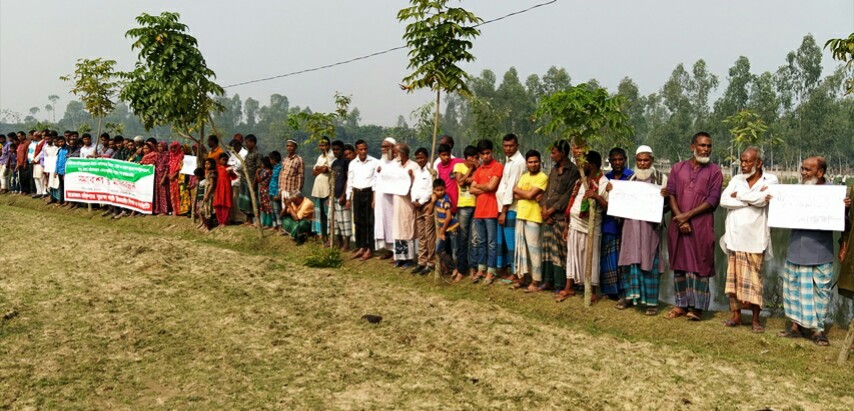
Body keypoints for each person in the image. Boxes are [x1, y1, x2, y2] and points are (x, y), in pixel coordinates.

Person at [778, 156, 851, 346]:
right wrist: (774, 200)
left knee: (820, 291)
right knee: (793, 289)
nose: (803, 173)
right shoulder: (794, 192)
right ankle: (795, 326)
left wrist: (844, 208)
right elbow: (781, 213)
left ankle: (817, 330)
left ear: (820, 173)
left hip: (820, 250)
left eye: (808, 170)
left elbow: (843, 222)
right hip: (796, 247)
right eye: (802, 169)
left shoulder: (834, 193)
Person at [665, 132, 723, 321]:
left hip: (701, 226)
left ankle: (697, 308)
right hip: (678, 225)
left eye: (709, 146)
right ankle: (681, 304)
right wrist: (680, 219)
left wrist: (687, 216)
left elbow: (713, 199)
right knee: (680, 264)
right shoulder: (677, 168)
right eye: (702, 145)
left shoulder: (715, 171)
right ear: (692, 147)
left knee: (700, 264)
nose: (706, 149)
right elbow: (671, 193)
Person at [720, 147, 777, 333]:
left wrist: (741, 196)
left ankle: (755, 320)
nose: (743, 165)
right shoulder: (736, 179)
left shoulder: (771, 180)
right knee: (734, 281)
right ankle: (736, 316)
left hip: (755, 239)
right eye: (741, 161)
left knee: (755, 282)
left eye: (747, 162)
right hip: (734, 237)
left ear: (758, 163)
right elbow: (724, 200)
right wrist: (752, 198)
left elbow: (763, 201)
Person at [558, 150, 609, 302]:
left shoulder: (603, 182)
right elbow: (572, 203)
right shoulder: (580, 181)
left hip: (591, 227)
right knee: (572, 256)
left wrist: (597, 197)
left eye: (583, 163)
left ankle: (591, 290)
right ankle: (569, 287)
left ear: (591, 165)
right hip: (574, 224)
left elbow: (608, 207)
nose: (580, 166)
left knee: (591, 259)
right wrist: (567, 226)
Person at [540, 140, 579, 293]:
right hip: (548, 217)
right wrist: (544, 210)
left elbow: (567, 196)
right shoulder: (553, 170)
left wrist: (551, 211)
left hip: (560, 218)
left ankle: (560, 283)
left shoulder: (573, 171)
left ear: (563, 153)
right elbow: (547, 191)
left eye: (554, 152)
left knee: (559, 251)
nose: (552, 155)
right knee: (547, 249)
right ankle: (547, 281)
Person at [511, 150, 549, 292]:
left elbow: (528, 194)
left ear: (540, 162)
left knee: (534, 250)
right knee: (521, 249)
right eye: (530, 162)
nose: (533, 164)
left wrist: (524, 193)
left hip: (534, 217)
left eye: (536, 161)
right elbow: (516, 194)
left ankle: (536, 280)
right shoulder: (524, 176)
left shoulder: (542, 177)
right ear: (526, 163)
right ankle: (522, 277)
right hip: (521, 214)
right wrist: (526, 195)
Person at [601, 147, 634, 303]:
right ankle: (609, 290)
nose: (617, 162)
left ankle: (624, 290)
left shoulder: (632, 178)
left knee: (624, 258)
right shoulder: (606, 178)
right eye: (614, 160)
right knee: (609, 257)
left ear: (625, 160)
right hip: (609, 223)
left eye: (620, 159)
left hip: (626, 225)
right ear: (610, 160)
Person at [470, 139, 504, 285]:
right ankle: (481, 269)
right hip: (479, 212)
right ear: (479, 155)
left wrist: (480, 187)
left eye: (488, 153)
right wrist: (486, 186)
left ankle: (491, 271)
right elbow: (471, 189)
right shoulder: (478, 170)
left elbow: (492, 186)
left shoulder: (497, 166)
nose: (486, 156)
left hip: (491, 211)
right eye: (483, 154)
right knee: (481, 242)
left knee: (491, 242)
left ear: (492, 152)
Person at [495, 133, 526, 276]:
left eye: (511, 146)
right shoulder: (508, 161)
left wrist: (504, 211)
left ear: (517, 146)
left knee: (511, 242)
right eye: (505, 146)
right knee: (502, 242)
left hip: (510, 209)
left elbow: (511, 188)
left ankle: (515, 272)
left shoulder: (519, 162)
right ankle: (504, 268)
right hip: (502, 207)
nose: (508, 148)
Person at [386, 143, 419, 268]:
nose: (394, 155)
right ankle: (399, 257)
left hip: (407, 202)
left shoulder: (413, 166)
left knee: (407, 229)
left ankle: (409, 258)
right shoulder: (396, 166)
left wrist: (410, 176)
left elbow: (416, 184)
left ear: (402, 154)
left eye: (396, 153)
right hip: (397, 201)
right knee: (398, 230)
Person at [451, 145, 479, 282]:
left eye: (475, 158)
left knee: (474, 239)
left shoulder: (479, 168)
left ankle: (473, 268)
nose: (473, 160)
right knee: (462, 238)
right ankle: (461, 269)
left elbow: (478, 181)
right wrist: (470, 171)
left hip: (476, 205)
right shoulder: (459, 166)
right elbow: (461, 182)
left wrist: (472, 176)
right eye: (471, 157)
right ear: (466, 157)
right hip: (463, 207)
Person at [347, 140, 378, 260]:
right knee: (358, 221)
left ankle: (370, 248)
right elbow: (350, 180)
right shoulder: (353, 163)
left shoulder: (374, 162)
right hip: (357, 193)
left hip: (369, 193)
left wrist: (374, 198)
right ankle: (361, 246)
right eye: (361, 149)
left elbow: (376, 181)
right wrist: (348, 197)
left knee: (370, 222)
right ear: (356, 151)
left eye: (365, 149)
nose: (363, 151)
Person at [411, 147, 436, 275]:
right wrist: (414, 201)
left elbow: (430, 190)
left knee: (429, 235)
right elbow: (414, 188)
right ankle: (422, 261)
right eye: (418, 158)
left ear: (426, 158)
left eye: (422, 157)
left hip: (426, 205)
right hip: (417, 206)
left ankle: (431, 262)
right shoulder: (417, 171)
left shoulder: (430, 172)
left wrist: (421, 202)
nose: (420, 160)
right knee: (421, 235)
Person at [374, 137, 398, 257]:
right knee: (382, 222)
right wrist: (374, 199)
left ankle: (396, 252)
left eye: (387, 147)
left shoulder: (397, 163)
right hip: (380, 198)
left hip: (392, 199)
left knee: (393, 223)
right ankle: (387, 249)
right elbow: (375, 182)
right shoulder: (380, 162)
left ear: (393, 148)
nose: (384, 149)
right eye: (382, 147)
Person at [433, 178, 460, 277]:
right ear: (434, 190)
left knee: (454, 251)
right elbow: (430, 209)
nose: (440, 192)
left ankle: (456, 269)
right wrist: (432, 201)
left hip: (452, 228)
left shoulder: (446, 200)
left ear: (445, 189)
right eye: (437, 190)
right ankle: (451, 267)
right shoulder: (436, 200)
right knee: (439, 249)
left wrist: (442, 231)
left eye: (441, 190)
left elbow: (448, 217)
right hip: (444, 230)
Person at [329, 140, 352, 250]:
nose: (335, 151)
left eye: (337, 149)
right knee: (335, 220)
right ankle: (338, 242)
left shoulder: (346, 162)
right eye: (333, 150)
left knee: (345, 220)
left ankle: (347, 243)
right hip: (333, 195)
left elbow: (348, 179)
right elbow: (332, 180)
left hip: (342, 195)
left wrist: (344, 195)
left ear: (342, 149)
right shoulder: (334, 163)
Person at [310, 137, 332, 243]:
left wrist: (321, 168)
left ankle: (329, 237)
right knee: (319, 214)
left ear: (329, 145)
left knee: (327, 214)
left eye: (324, 145)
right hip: (318, 189)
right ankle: (321, 235)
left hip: (327, 190)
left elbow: (326, 169)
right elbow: (313, 172)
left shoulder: (331, 156)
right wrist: (320, 168)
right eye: (320, 145)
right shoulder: (320, 157)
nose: (322, 147)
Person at [238, 134, 262, 225]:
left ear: (253, 143)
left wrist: (255, 182)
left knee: (253, 200)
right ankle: (248, 220)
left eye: (247, 142)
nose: (246, 144)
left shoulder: (258, 154)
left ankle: (257, 221)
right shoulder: (248, 153)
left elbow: (258, 169)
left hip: (252, 181)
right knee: (245, 201)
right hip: (244, 180)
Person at [213, 153, 238, 227]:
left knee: (226, 204)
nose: (225, 161)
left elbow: (234, 177)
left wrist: (230, 173)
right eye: (223, 159)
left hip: (227, 188)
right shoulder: (217, 168)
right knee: (218, 204)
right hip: (219, 188)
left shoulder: (229, 168)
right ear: (219, 160)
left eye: (226, 160)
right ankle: (220, 221)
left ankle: (224, 221)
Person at [278, 139, 304, 209]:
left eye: (291, 146)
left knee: (293, 209)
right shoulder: (285, 159)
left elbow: (300, 176)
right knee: (284, 209)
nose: (289, 148)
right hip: (284, 190)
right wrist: (280, 189)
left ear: (295, 147)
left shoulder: (298, 160)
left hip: (292, 191)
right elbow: (281, 174)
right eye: (287, 146)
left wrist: (298, 192)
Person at [197, 158, 218, 231]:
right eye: (205, 164)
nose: (206, 165)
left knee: (208, 209)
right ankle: (204, 225)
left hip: (210, 193)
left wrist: (207, 194)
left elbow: (212, 185)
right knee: (203, 209)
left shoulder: (212, 173)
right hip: (206, 191)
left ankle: (208, 227)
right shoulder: (208, 172)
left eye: (208, 164)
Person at [153, 142, 171, 215]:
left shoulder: (167, 155)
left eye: (161, 146)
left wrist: (164, 177)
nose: (159, 148)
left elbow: (167, 167)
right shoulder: (158, 155)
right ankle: (159, 209)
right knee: (158, 193)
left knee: (164, 194)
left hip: (164, 177)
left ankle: (165, 210)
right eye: (158, 146)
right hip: (158, 176)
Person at [268, 151, 283, 232]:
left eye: (270, 159)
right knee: (272, 209)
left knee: (277, 209)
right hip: (271, 191)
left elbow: (280, 181)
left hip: (276, 191)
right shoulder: (274, 168)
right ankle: (274, 225)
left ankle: (280, 226)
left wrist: (279, 192)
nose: (270, 161)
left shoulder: (280, 168)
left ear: (274, 159)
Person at [257, 156, 274, 229]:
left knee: (267, 206)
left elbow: (259, 180)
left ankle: (268, 223)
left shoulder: (268, 171)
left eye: (262, 163)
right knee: (263, 206)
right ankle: (263, 222)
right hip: (262, 189)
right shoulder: (264, 170)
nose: (261, 164)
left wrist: (257, 172)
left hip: (266, 190)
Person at [168, 142, 185, 216]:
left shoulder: (181, 156)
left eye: (175, 147)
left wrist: (174, 175)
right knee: (173, 194)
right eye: (171, 147)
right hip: (171, 178)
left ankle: (180, 211)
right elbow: (169, 166)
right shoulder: (171, 156)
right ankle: (175, 210)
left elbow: (179, 168)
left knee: (178, 193)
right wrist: (169, 175)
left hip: (178, 178)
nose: (173, 149)